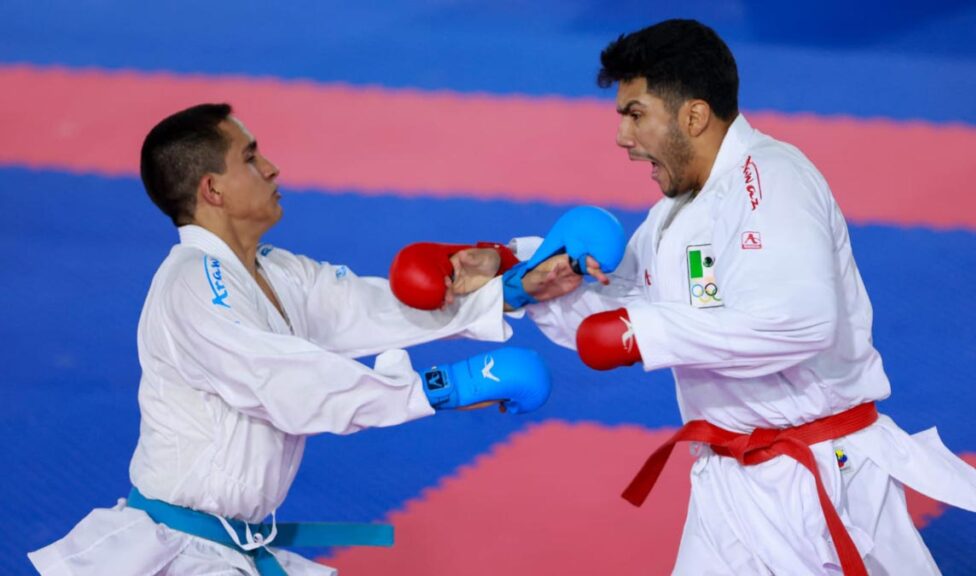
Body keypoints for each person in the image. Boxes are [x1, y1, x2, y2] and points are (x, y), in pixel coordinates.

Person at [396, 19, 976, 575]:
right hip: (729, 482)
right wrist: (515, 276)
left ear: (692, 116)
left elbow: (801, 322)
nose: (621, 137)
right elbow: (626, 304)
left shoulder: (772, 181)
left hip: (821, 480)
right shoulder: (676, 212)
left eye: (635, 114)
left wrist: (644, 335)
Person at [27, 103, 582, 576]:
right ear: (212, 189)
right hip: (182, 554)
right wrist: (441, 388)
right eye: (250, 157)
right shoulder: (192, 286)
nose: (271, 169)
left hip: (231, 548)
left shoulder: (280, 272)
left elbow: (373, 308)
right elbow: (291, 383)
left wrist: (508, 288)